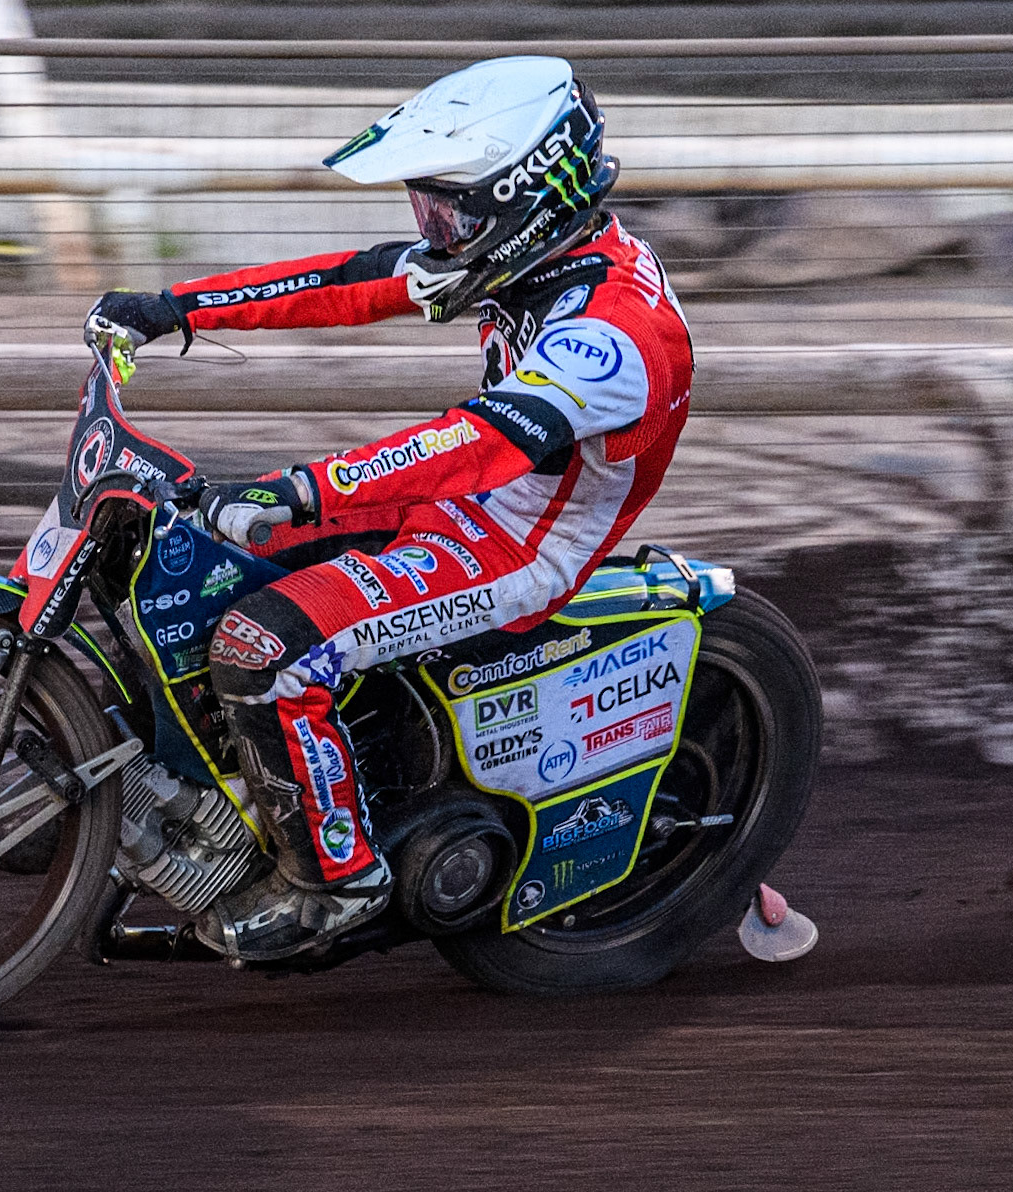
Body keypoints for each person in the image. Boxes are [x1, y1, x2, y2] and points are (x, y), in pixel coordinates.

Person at [86, 55, 694, 962]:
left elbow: (475, 443)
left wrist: (301, 491)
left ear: (525, 194)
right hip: (459, 504)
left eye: (450, 208)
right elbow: (353, 281)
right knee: (173, 546)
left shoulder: (615, 335)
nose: (433, 229)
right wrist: (174, 308)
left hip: (519, 546)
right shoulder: (527, 256)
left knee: (265, 649)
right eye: (428, 206)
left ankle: (335, 881)